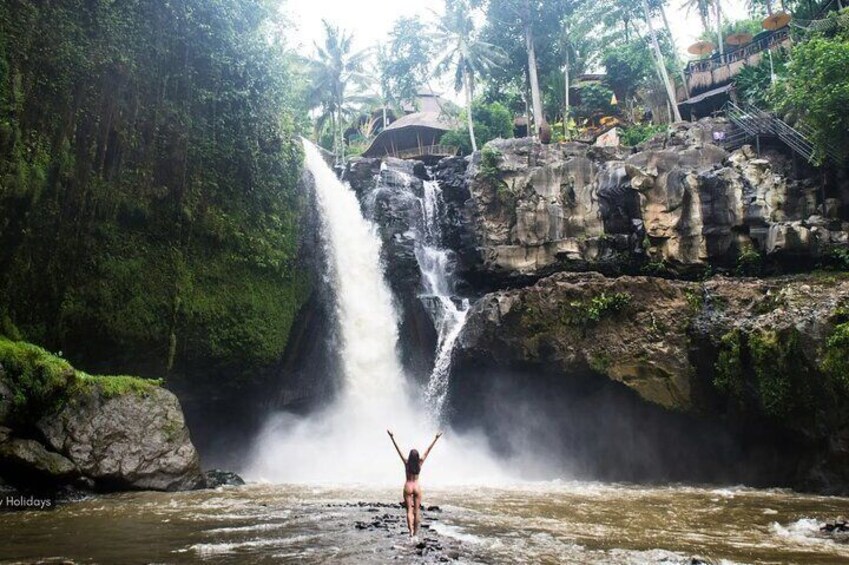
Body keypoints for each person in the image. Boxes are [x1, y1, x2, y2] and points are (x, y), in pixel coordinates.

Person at [386, 429, 442, 538]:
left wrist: (392, 437)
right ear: (417, 457)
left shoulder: (406, 463)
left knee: (409, 511)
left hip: (408, 486)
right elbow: (428, 451)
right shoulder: (420, 463)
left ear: (410, 456)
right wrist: (436, 439)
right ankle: (416, 533)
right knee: (417, 511)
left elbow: (398, 450)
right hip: (416, 486)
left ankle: (411, 532)